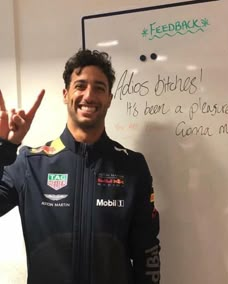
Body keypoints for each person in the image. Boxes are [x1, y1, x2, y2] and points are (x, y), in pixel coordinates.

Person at [0, 49, 160, 284]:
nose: (89, 95)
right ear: (66, 94)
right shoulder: (30, 163)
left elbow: (148, 252)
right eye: (80, 85)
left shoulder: (132, 166)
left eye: (99, 87)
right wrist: (4, 148)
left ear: (109, 98)